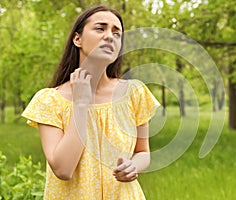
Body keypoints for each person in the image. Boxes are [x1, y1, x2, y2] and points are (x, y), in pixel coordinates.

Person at [21, 5, 160, 199]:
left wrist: (133, 166)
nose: (110, 36)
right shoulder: (49, 100)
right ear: (77, 39)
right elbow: (63, 169)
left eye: (116, 33)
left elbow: (143, 153)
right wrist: (81, 103)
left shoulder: (134, 93)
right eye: (100, 28)